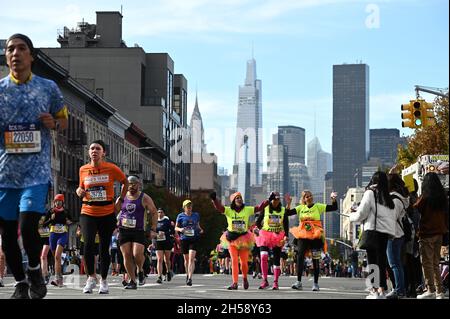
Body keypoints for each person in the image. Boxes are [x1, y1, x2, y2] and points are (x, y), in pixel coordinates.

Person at [0, 34, 68, 299]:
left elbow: (63, 121)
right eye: (10, 49)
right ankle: (20, 282)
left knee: (28, 226)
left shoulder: (48, 87)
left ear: (31, 56)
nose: (15, 53)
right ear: (7, 57)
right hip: (5, 174)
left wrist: (54, 123)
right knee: (7, 234)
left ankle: (35, 270)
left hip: (36, 172)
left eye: (21, 48)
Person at [76, 140, 128, 294]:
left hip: (107, 213)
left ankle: (104, 280)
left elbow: (125, 182)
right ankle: (91, 277)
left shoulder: (111, 168)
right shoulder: (83, 169)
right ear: (89, 152)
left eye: (98, 148)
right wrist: (79, 191)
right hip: (88, 211)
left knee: (104, 248)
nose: (94, 151)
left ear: (103, 153)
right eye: (92, 148)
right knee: (88, 245)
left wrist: (120, 200)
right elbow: (81, 187)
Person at [349, 171, 396, 299]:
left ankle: (374, 291)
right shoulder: (388, 196)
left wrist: (351, 216)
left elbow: (361, 214)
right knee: (381, 261)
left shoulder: (370, 193)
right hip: (385, 233)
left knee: (372, 262)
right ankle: (382, 290)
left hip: (373, 231)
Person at [210, 191, 269, 290]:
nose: (239, 199)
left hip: (244, 239)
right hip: (231, 239)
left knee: (244, 262)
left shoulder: (247, 209)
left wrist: (268, 201)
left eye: (240, 198)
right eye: (237, 198)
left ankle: (245, 278)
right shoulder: (228, 210)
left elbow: (258, 208)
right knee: (233, 260)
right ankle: (235, 283)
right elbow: (219, 208)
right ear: (233, 200)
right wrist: (214, 200)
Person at [285, 190, 338, 292]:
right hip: (303, 234)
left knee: (315, 259)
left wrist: (333, 199)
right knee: (300, 256)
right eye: (306, 196)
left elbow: (334, 207)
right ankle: (299, 282)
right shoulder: (301, 208)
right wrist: (288, 203)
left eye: (310, 196)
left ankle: (316, 284)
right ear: (304, 199)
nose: (309, 198)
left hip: (315, 235)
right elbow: (287, 213)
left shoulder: (318, 206)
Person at [117, 175, 157, 289]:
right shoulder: (122, 197)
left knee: (136, 254)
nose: (131, 187)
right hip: (124, 230)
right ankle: (132, 281)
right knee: (126, 255)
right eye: (129, 185)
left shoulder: (144, 197)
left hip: (138, 230)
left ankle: (140, 269)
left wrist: (153, 228)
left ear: (138, 185)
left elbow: (153, 212)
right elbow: (115, 210)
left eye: (134, 184)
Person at [414, 172, 449, 299]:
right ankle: (439, 291)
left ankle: (430, 289)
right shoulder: (442, 197)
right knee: (435, 262)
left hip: (427, 233)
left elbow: (416, 208)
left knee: (427, 263)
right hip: (440, 233)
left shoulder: (425, 197)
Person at [254, 191, 289, 290]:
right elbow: (258, 222)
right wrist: (258, 229)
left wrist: (286, 235)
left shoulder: (283, 210)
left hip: (277, 236)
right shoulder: (265, 209)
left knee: (276, 259)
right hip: (265, 235)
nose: (275, 201)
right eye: (274, 199)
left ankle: (275, 282)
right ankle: (264, 280)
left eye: (277, 199)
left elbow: (286, 224)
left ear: (279, 200)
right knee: (263, 256)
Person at [386, 174, 410, 299]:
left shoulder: (395, 200)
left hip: (393, 235)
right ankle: (399, 289)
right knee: (397, 263)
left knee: (394, 263)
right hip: (397, 234)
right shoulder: (401, 198)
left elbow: (391, 218)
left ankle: (399, 290)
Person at [42, 194, 72, 287]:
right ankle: (59, 279)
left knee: (58, 256)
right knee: (56, 258)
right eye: (56, 201)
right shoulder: (50, 211)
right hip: (53, 235)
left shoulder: (66, 212)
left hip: (62, 235)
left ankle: (57, 278)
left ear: (62, 202)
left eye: (59, 201)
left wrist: (69, 222)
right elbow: (44, 224)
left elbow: (71, 221)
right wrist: (51, 219)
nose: (57, 203)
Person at [175, 200, 204, 286]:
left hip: (194, 239)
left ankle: (190, 278)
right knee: (186, 259)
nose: (189, 207)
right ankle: (187, 274)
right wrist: (180, 229)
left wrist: (200, 230)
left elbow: (197, 225)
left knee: (191, 258)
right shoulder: (180, 216)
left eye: (190, 206)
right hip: (184, 239)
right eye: (187, 206)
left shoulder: (196, 215)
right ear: (184, 207)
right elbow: (176, 228)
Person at [155, 208, 175, 284]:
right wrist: (156, 235)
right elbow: (152, 230)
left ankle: (168, 271)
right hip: (158, 242)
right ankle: (159, 276)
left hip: (166, 241)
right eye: (158, 212)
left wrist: (166, 233)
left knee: (166, 259)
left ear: (163, 213)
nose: (160, 213)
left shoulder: (167, 220)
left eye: (161, 212)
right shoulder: (155, 220)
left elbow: (172, 231)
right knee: (159, 259)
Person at [38, 215, 52, 284]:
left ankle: (44, 277)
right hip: (39, 238)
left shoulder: (47, 214)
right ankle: (46, 274)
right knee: (40, 258)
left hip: (47, 238)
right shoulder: (35, 215)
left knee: (43, 256)